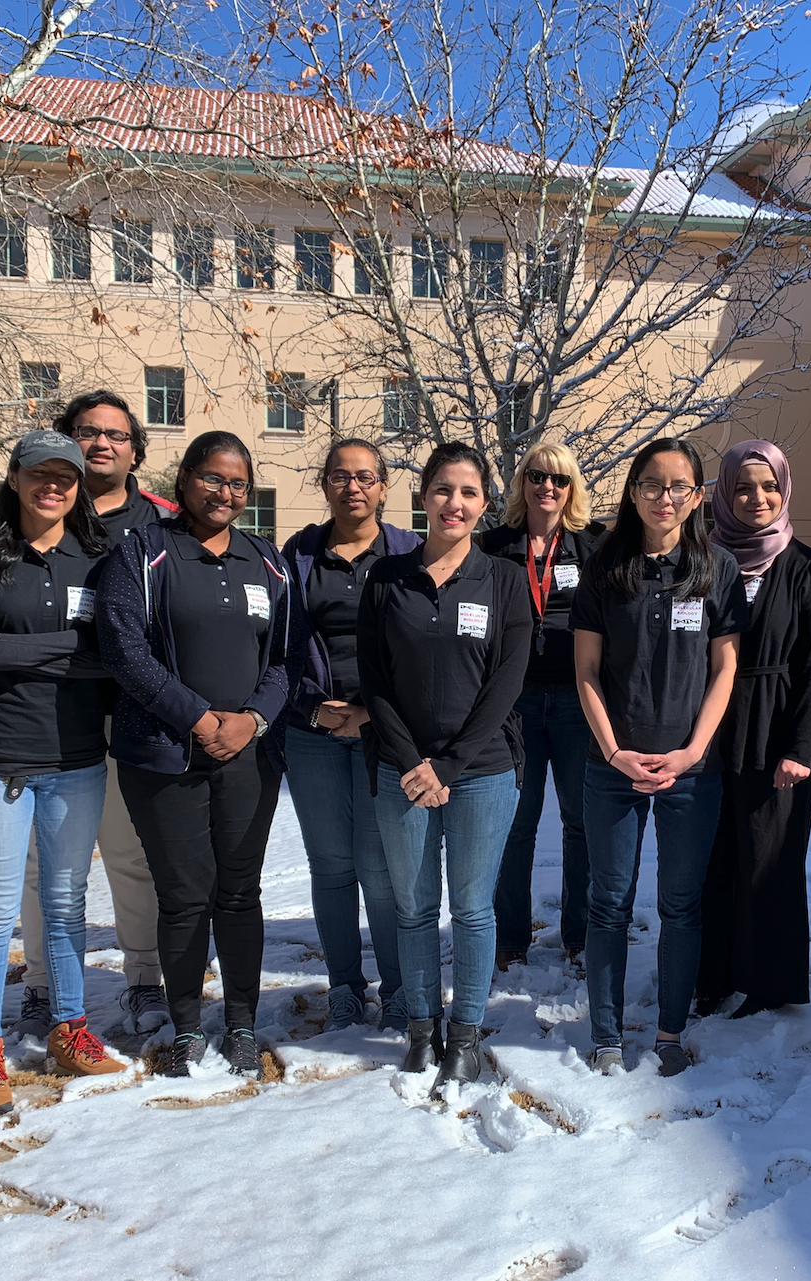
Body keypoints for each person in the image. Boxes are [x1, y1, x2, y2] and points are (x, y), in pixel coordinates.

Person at [97, 430, 291, 1079]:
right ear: (184, 480)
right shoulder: (143, 554)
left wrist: (253, 719)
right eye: (213, 477)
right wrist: (199, 717)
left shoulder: (266, 562)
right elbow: (126, 652)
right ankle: (185, 1024)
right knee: (182, 896)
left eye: (238, 482)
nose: (225, 492)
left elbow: (286, 660)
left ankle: (240, 1019)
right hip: (164, 756)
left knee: (238, 894)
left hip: (247, 759)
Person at [0, 430, 124, 1116]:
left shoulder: (102, 561)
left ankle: (70, 1026)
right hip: (0, 760)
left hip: (77, 757)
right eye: (40, 474)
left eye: (67, 477)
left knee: (66, 901)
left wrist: (26, 652)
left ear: (80, 486)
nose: (53, 486)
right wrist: (65, 648)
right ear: (16, 478)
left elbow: (112, 653)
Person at [572, 438, 747, 1077]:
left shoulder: (716, 569)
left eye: (678, 486)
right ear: (633, 491)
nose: (664, 496)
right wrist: (613, 750)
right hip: (612, 769)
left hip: (690, 773)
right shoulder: (603, 565)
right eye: (651, 484)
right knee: (609, 903)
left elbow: (725, 667)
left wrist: (693, 751)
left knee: (681, 906)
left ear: (697, 496)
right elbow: (585, 669)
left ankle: (670, 1032)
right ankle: (607, 1032)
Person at [358, 442, 528, 1094]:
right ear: (423, 496)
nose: (454, 503)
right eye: (443, 489)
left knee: (473, 908)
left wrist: (450, 764)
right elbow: (374, 683)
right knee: (413, 907)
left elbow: (506, 686)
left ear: (484, 502)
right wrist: (412, 760)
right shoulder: (387, 578)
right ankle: (421, 1030)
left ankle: (466, 1036)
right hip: (401, 770)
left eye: (468, 491)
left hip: (483, 770)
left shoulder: (504, 580)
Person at [16, 390, 181, 1040]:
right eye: (88, 431)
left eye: (116, 434)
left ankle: (144, 980)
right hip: (47, 719)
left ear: (136, 449)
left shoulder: (163, 524)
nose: (102, 443)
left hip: (130, 722)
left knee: (131, 856)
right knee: (47, 863)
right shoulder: (36, 516)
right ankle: (41, 987)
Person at [282, 437, 419, 1032]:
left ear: (385, 486)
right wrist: (310, 708)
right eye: (341, 476)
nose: (353, 487)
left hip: (382, 732)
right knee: (330, 865)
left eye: (366, 476)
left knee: (379, 865)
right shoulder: (299, 554)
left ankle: (395, 987)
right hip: (312, 729)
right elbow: (279, 644)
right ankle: (343, 986)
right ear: (325, 485)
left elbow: (423, 648)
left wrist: (370, 713)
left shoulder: (410, 552)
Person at [695, 440, 811, 1018]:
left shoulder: (802, 565)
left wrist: (801, 748)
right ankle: (713, 974)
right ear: (724, 493)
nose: (757, 498)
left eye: (769, 486)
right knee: (713, 859)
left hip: (777, 734)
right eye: (744, 487)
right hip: (707, 733)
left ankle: (766, 982)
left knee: (769, 862)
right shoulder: (701, 558)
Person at [480, 442, 605, 973]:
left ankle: (577, 933)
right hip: (516, 704)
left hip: (580, 701)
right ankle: (510, 935)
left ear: (572, 486)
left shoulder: (594, 545)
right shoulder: (493, 545)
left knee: (580, 823)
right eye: (536, 475)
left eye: (558, 478)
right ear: (522, 483)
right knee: (516, 822)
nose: (546, 486)